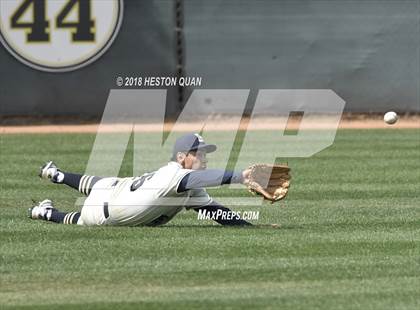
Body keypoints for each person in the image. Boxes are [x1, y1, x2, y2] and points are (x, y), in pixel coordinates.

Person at [28, 133, 252, 227]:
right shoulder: (176, 175)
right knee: (84, 218)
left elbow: (216, 211)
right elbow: (208, 178)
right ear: (181, 157)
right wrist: (240, 176)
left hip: (119, 191)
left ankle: (55, 178)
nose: (203, 157)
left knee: (104, 183)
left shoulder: (188, 184)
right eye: (198, 153)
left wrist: (250, 227)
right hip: (106, 213)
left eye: (204, 152)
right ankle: (45, 211)